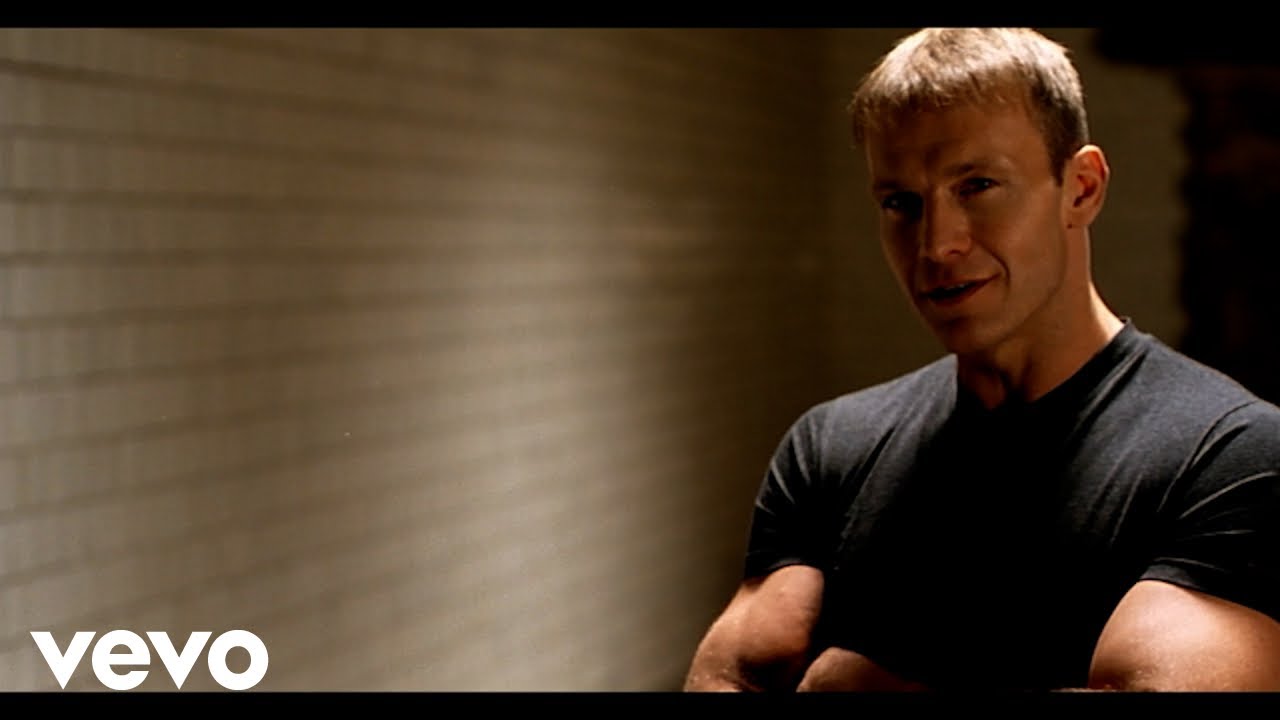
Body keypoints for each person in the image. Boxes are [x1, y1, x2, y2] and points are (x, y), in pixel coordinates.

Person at [682, 27, 1280, 692]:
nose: (936, 245)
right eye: (901, 203)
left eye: (977, 185)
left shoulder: (1232, 455)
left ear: (1081, 189)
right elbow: (727, 679)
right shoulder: (830, 449)